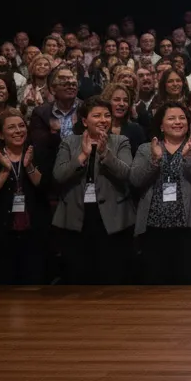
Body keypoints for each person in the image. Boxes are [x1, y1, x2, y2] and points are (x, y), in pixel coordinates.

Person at [130, 101, 191, 284]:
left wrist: (189, 158)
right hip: (154, 227)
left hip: (190, 227)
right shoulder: (146, 149)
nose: (178, 122)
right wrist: (155, 160)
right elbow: (136, 179)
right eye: (171, 118)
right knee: (157, 284)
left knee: (190, 282)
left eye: (182, 118)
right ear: (161, 125)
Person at [52, 99, 135, 284]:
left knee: (111, 275)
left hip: (112, 217)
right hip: (76, 215)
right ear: (84, 121)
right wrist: (82, 155)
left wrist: (106, 154)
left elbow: (127, 173)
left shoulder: (120, 141)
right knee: (78, 275)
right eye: (96, 115)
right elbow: (59, 175)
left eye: (107, 115)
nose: (103, 120)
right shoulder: (69, 142)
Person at [0, 111, 49, 284]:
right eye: (11, 127)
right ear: (0, 134)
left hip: (33, 232)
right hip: (2, 233)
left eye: (21, 126)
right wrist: (5, 171)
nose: (18, 131)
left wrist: (29, 166)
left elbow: (46, 188)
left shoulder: (37, 154)